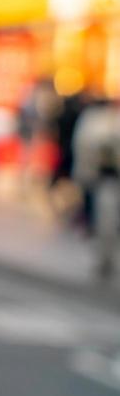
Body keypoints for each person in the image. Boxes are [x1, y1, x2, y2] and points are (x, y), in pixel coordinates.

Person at [72, 97, 120, 281]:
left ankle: (110, 257)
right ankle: (103, 256)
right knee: (103, 221)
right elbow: (85, 145)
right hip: (103, 180)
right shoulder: (95, 120)